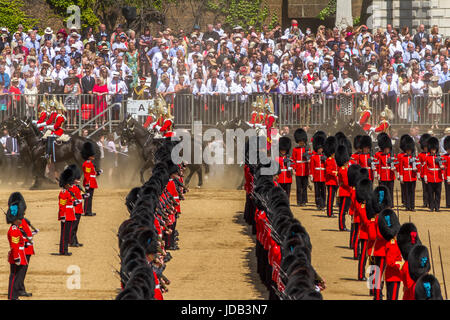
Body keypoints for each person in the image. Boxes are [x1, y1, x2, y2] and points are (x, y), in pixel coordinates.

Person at [6, 192, 28, 300]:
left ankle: (14, 295)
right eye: (20, 217)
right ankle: (12, 296)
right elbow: (15, 246)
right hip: (17, 255)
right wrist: (17, 257)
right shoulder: (14, 230)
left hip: (19, 254)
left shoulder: (16, 229)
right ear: (15, 219)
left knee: (17, 277)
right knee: (15, 277)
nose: (21, 220)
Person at [58, 167, 76, 256]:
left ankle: (64, 250)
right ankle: (63, 250)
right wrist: (62, 216)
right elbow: (62, 206)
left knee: (66, 233)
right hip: (66, 215)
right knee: (64, 234)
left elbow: (70, 202)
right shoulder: (63, 193)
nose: (71, 185)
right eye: (69, 183)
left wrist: (75, 202)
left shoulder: (68, 192)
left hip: (69, 214)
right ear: (65, 184)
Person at [423, 137, 444, 212]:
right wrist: (425, 177)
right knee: (430, 194)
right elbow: (425, 168)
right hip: (430, 178)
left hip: (438, 178)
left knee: (438, 194)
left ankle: (437, 207)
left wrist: (442, 169)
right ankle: (431, 207)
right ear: (430, 149)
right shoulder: (427, 157)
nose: (433, 151)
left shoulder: (439, 157)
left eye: (434, 149)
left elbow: (442, 167)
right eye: (432, 149)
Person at [398, 135, 418, 211]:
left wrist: (416, 170)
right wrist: (401, 177)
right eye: (407, 150)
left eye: (410, 150)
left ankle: (412, 206)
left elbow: (418, 167)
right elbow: (401, 168)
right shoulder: (403, 158)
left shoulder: (414, 158)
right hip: (406, 177)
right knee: (406, 192)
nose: (409, 151)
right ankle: (407, 206)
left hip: (412, 177)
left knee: (412, 193)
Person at [68, 164, 86, 247]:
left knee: (76, 227)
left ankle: (75, 240)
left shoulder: (76, 187)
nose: (79, 180)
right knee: (73, 226)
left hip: (78, 209)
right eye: (77, 178)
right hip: (74, 210)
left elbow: (78, 197)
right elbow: (71, 199)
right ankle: (71, 241)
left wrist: (83, 196)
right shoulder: (71, 188)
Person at [81, 141, 101, 216]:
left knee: (90, 197)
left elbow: (92, 174)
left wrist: (98, 173)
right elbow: (87, 175)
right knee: (88, 197)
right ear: (89, 156)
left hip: (92, 182)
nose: (93, 157)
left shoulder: (90, 163)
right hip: (89, 182)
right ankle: (87, 211)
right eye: (92, 156)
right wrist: (87, 183)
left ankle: (88, 210)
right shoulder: (87, 164)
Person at [292, 128, 309, 207]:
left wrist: (308, 156)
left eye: (302, 141)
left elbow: (310, 159)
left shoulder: (307, 149)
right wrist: (294, 169)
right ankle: (299, 201)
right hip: (298, 170)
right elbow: (293, 160)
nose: (301, 142)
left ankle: (304, 201)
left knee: (304, 187)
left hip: (305, 170)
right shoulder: (295, 149)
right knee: (299, 187)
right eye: (300, 141)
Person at [310, 133, 326, 210]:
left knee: (323, 191)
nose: (320, 150)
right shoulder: (314, 157)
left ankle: (323, 204)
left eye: (321, 149)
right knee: (317, 192)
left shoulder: (325, 157)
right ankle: (318, 204)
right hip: (316, 176)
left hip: (323, 176)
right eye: (319, 149)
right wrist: (311, 175)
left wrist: (325, 160)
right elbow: (312, 167)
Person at [336, 145, 351, 231]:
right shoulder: (343, 169)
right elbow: (346, 182)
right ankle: (342, 226)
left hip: (346, 191)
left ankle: (343, 226)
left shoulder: (344, 169)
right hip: (345, 192)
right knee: (342, 211)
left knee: (344, 210)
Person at [324, 136, 338, 217]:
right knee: (330, 198)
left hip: (335, 181)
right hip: (330, 181)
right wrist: (335, 173)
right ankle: (329, 213)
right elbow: (328, 171)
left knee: (333, 198)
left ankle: (331, 212)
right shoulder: (329, 160)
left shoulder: (334, 160)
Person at [276, 136, 293, 201]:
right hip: (279, 178)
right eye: (282, 150)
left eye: (284, 150)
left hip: (288, 178)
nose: (283, 151)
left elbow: (293, 166)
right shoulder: (277, 158)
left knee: (287, 194)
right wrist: (283, 161)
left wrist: (291, 166)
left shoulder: (289, 158)